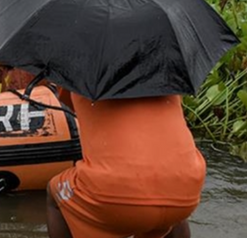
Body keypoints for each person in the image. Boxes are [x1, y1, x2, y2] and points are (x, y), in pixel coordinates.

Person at [47, 93, 205, 238]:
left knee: (54, 192)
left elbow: (67, 104)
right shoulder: (166, 75)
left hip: (115, 190)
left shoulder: (85, 76)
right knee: (171, 201)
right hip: (187, 186)